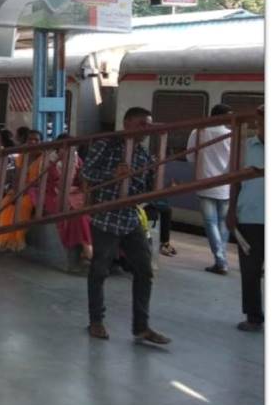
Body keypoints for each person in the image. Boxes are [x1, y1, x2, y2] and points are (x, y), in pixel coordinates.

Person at [82, 106, 170, 344]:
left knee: (144, 270)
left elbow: (145, 187)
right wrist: (112, 174)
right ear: (127, 123)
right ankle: (96, 321)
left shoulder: (142, 155)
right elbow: (87, 172)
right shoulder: (106, 144)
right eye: (142, 124)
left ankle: (141, 327)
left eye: (149, 125)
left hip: (130, 218)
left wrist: (159, 183)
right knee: (100, 271)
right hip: (105, 217)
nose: (146, 130)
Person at [226, 105, 264, 332]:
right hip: (249, 217)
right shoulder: (245, 148)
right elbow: (235, 182)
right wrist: (231, 211)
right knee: (250, 271)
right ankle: (253, 316)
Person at [187, 103, 233, 274]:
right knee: (223, 223)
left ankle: (220, 261)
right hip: (226, 185)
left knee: (210, 223)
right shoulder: (232, 134)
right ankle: (222, 259)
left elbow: (190, 157)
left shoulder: (198, 132)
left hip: (204, 184)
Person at [0, 130, 57, 253]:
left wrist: (26, 191)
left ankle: (16, 241)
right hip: (22, 188)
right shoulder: (22, 156)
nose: (33, 142)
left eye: (36, 140)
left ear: (41, 142)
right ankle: (6, 240)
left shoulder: (45, 157)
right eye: (30, 139)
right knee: (6, 202)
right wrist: (16, 192)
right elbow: (17, 177)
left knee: (23, 205)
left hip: (37, 190)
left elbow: (44, 180)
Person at [47, 134, 93, 263]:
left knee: (89, 210)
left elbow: (82, 177)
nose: (69, 149)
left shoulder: (76, 158)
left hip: (75, 192)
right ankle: (87, 249)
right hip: (55, 193)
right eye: (66, 146)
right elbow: (53, 183)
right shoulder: (50, 160)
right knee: (76, 213)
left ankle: (88, 249)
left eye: (72, 146)